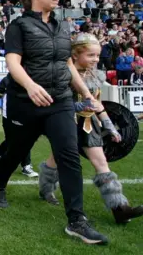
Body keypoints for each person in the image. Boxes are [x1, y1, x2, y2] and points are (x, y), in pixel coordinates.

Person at [0, 0, 108, 245]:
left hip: (61, 101)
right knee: (15, 152)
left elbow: (66, 65)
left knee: (68, 155)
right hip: (26, 103)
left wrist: (87, 95)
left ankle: (77, 220)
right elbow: (13, 64)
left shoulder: (62, 26)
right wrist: (30, 86)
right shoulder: (18, 26)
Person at [38, 33, 143, 224]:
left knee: (101, 163)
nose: (95, 60)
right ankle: (46, 189)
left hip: (89, 125)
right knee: (56, 158)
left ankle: (119, 208)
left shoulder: (95, 75)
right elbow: (56, 102)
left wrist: (110, 126)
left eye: (97, 55)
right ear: (75, 55)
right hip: (65, 123)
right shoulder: (62, 74)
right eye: (91, 55)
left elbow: (97, 103)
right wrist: (77, 107)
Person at [0, 75, 39, 177]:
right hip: (9, 113)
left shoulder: (36, 74)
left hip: (28, 112)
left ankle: (26, 166)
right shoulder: (10, 77)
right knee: (12, 139)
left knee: (26, 137)